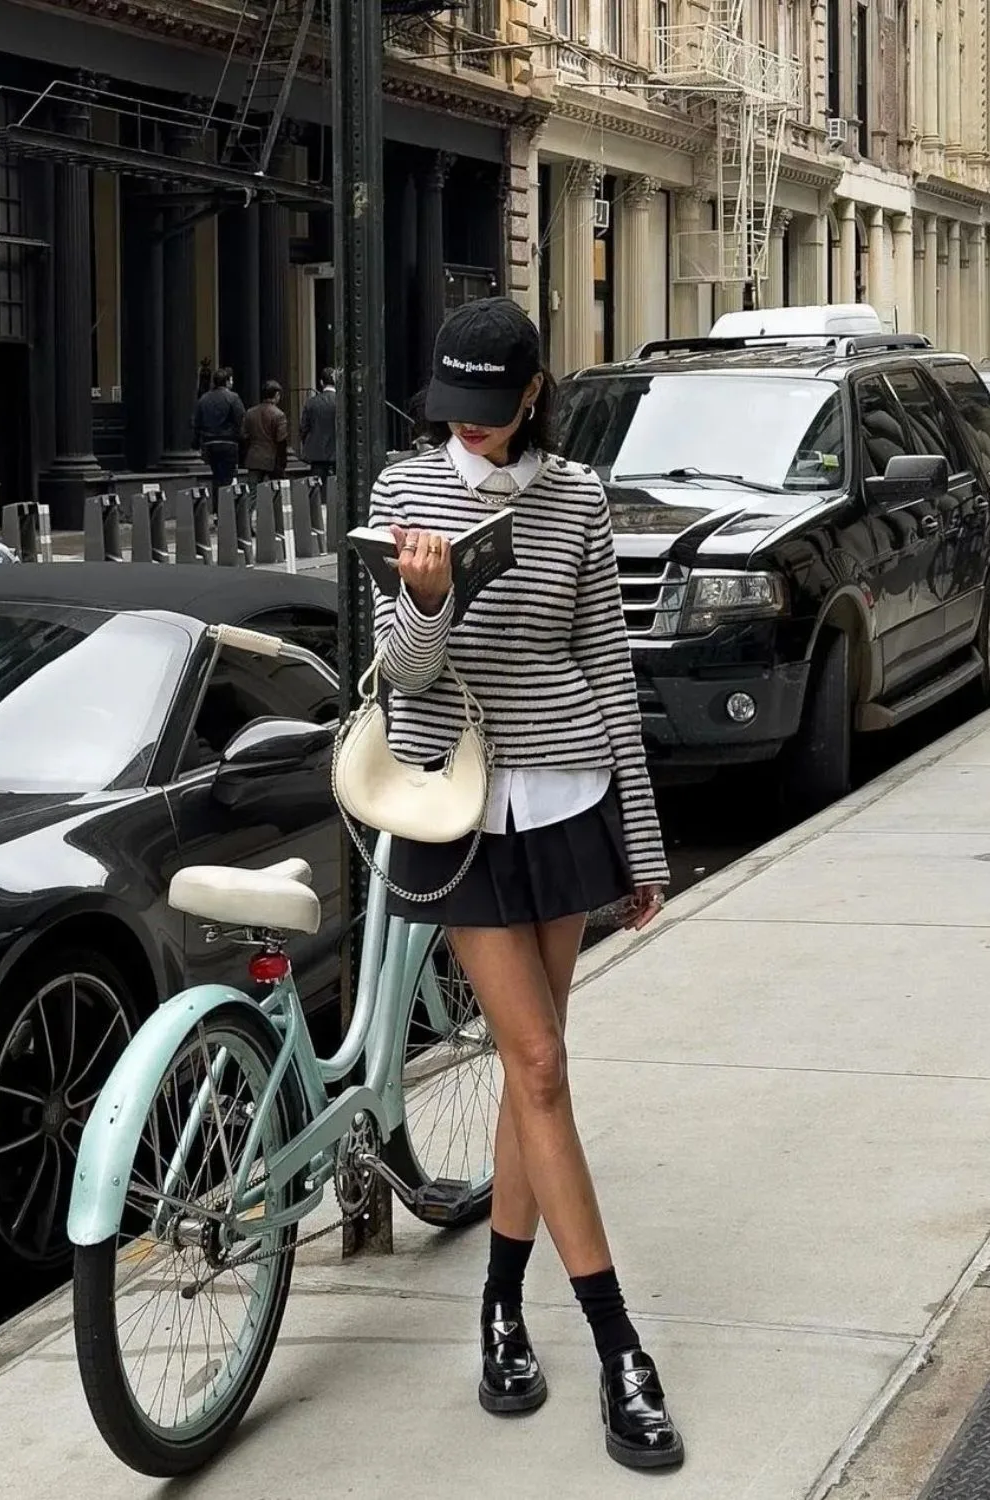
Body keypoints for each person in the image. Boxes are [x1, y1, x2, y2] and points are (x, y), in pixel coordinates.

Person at [367, 298, 684, 1472]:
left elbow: (605, 663)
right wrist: (429, 595)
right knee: (541, 1065)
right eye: (457, 415)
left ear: (532, 394)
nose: (475, 435)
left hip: (563, 802)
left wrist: (641, 845)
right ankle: (619, 1352)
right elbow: (400, 669)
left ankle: (499, 1308)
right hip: (455, 809)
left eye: (492, 414)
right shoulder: (403, 492)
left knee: (527, 1070)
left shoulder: (578, 499)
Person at [192, 368, 245, 490]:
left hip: (209, 443)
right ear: (226, 381)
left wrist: (196, 442)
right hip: (228, 443)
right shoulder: (233, 398)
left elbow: (197, 422)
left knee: (215, 477)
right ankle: (223, 505)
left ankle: (216, 505)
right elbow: (240, 419)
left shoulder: (204, 399)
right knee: (227, 478)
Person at [243, 380, 289, 486]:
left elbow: (244, 435)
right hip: (273, 459)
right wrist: (283, 461)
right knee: (277, 491)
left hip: (254, 457)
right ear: (277, 395)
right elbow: (281, 439)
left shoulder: (250, 412)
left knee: (253, 492)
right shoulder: (279, 415)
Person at [299, 369, 337, 480]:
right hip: (337, 453)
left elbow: (304, 428)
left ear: (321, 382)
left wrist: (307, 444)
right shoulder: (342, 401)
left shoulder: (312, 402)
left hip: (317, 453)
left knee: (316, 488)